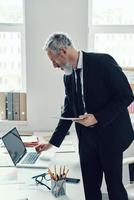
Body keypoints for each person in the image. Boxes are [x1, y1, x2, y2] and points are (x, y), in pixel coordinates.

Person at [35, 33, 134, 200]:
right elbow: (68, 111)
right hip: (87, 141)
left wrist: (97, 117)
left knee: (115, 190)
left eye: (53, 60)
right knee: (90, 191)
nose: (53, 65)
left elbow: (126, 95)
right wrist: (51, 143)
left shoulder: (102, 62)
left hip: (110, 138)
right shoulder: (68, 76)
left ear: (63, 51)